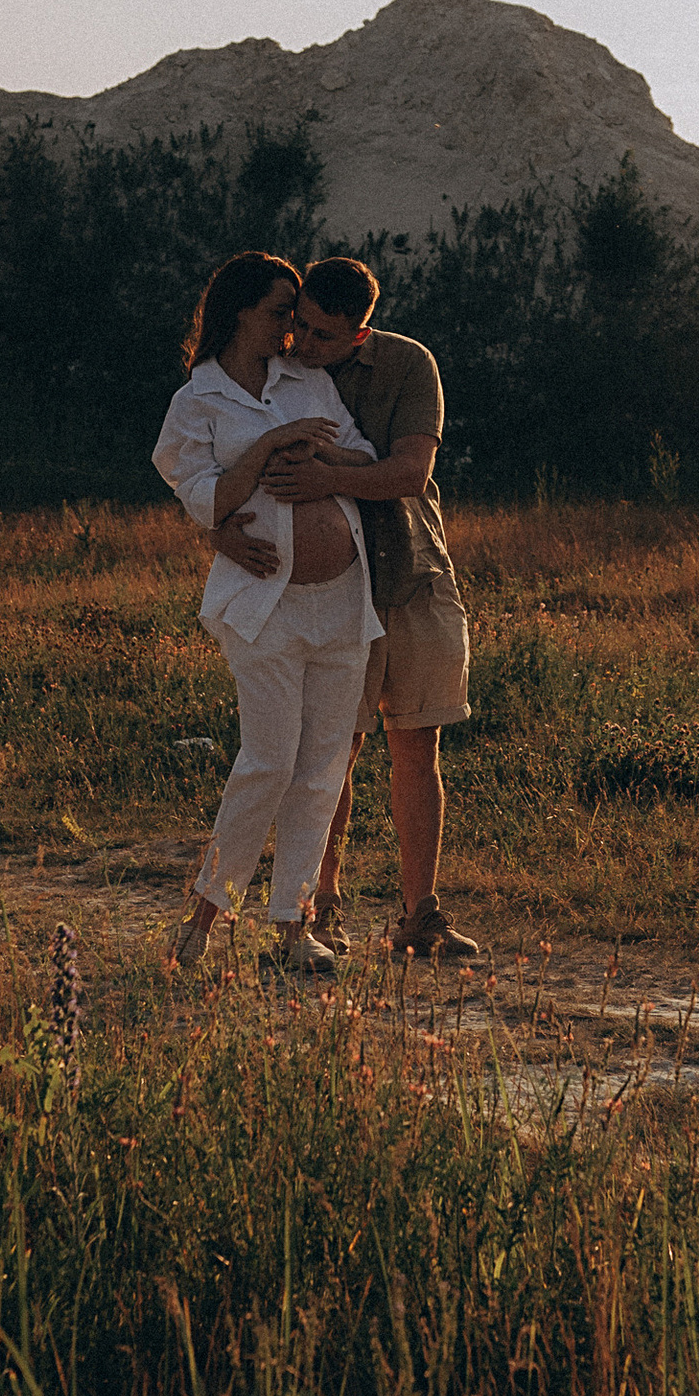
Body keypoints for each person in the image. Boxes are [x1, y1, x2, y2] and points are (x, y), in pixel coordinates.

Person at [215, 252, 479, 963]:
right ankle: (317, 908)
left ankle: (419, 913)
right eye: (298, 324)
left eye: (324, 335)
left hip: (414, 573)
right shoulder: (277, 371)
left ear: (358, 335)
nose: (305, 342)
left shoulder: (407, 365)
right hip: (329, 590)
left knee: (417, 746)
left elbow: (410, 471)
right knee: (330, 752)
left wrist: (330, 477)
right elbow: (222, 468)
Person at [151, 251, 379, 980]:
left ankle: (292, 926)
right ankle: (204, 915)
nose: (293, 327)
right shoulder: (198, 401)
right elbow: (208, 499)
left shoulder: (308, 379)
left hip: (343, 602)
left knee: (320, 771)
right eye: (282, 311)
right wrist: (273, 443)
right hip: (265, 607)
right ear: (242, 309)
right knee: (268, 761)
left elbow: (365, 452)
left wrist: (323, 460)